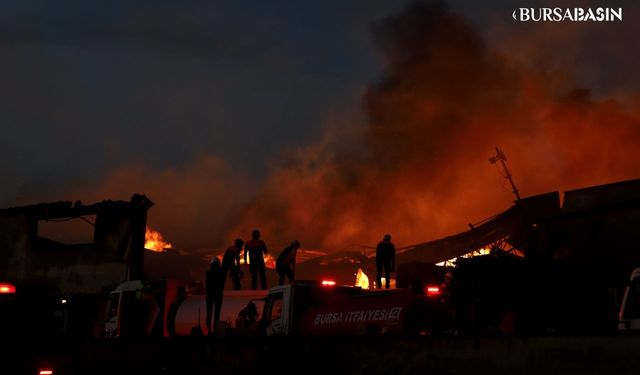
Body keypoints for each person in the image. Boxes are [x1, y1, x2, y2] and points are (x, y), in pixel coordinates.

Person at [205, 256, 224, 336]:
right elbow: (221, 285)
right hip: (218, 295)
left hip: (210, 295)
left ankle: (209, 331)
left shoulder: (208, 274)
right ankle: (215, 331)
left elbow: (207, 285)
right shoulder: (220, 273)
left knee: (209, 313)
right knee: (216, 314)